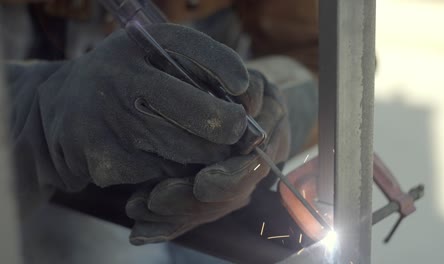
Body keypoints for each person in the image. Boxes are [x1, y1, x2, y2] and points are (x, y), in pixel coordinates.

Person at [1, 0, 319, 263]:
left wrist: (268, 104)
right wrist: (35, 117)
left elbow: (318, 58)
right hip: (41, 202)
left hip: (208, 196)